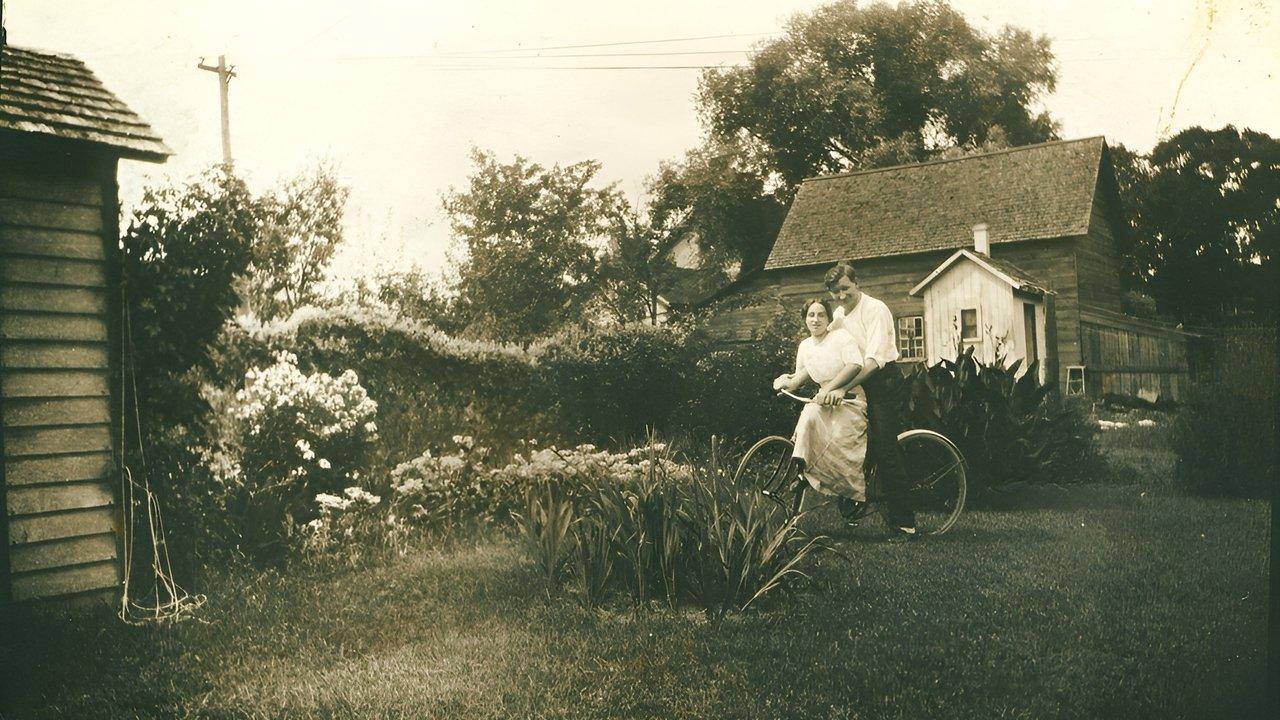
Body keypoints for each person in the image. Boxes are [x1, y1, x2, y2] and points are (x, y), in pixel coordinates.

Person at [822, 261, 918, 542]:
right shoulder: (839, 314)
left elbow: (874, 362)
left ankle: (905, 525)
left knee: (886, 449)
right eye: (834, 292)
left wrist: (841, 388)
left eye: (844, 289)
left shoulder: (876, 310)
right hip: (860, 382)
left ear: (856, 283)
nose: (840, 296)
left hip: (884, 382)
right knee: (850, 440)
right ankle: (856, 499)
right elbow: (826, 345)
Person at [772, 298, 870, 513]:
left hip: (849, 399)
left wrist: (831, 389)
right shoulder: (805, 346)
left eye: (821, 315)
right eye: (811, 315)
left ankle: (854, 497)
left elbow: (855, 365)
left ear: (829, 318)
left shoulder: (841, 338)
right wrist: (783, 382)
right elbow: (800, 376)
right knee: (808, 418)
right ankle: (804, 473)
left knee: (841, 444)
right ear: (805, 319)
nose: (816, 320)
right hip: (823, 401)